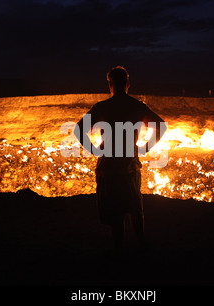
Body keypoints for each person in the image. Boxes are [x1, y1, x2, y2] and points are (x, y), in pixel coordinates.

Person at [74, 66, 167, 253]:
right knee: (135, 208)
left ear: (110, 85)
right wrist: (144, 147)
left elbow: (78, 129)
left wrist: (93, 149)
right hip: (129, 167)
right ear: (128, 84)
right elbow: (161, 126)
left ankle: (119, 250)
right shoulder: (137, 107)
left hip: (108, 168)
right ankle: (141, 246)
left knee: (115, 212)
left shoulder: (102, 108)